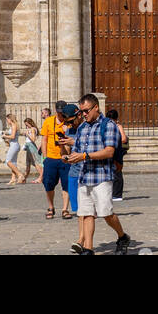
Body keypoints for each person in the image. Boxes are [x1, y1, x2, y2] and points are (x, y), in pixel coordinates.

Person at [66, 94, 131, 255]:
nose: (83, 114)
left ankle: (122, 236)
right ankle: (88, 248)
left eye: (86, 110)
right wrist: (69, 158)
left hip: (101, 176)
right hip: (85, 176)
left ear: (96, 107)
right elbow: (77, 151)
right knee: (86, 213)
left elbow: (109, 152)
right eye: (81, 112)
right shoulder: (82, 128)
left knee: (106, 213)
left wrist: (84, 156)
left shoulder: (108, 125)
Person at [39, 105, 71, 219]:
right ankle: (51, 207)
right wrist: (45, 157)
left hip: (65, 158)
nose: (61, 115)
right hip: (51, 158)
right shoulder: (48, 121)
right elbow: (44, 139)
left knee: (66, 184)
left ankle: (65, 209)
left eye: (63, 113)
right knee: (48, 183)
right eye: (59, 112)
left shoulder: (69, 123)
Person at [108, 108, 127, 201]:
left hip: (117, 151)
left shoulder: (118, 126)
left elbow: (123, 139)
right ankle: (111, 192)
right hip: (111, 150)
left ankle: (117, 194)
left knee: (117, 172)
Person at [3, 115, 24, 185]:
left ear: (10, 119)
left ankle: (20, 174)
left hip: (14, 145)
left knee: (8, 161)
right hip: (13, 145)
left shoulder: (14, 125)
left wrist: (5, 136)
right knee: (13, 162)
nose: (7, 121)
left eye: (7, 120)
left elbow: (13, 136)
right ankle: (13, 178)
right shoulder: (13, 126)